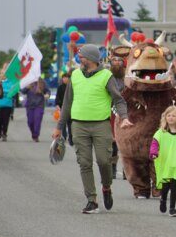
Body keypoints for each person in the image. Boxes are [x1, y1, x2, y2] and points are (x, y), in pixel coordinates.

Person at [52, 44, 133, 214]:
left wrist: (124, 118)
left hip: (101, 125)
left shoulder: (106, 76)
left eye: (82, 56)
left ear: (91, 58)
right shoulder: (75, 75)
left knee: (104, 161)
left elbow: (118, 100)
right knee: (84, 163)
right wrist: (59, 127)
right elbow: (67, 104)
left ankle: (106, 187)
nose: (79, 59)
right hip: (78, 125)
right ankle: (92, 200)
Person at [150, 106, 176, 217]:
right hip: (165, 162)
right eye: (169, 115)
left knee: (174, 185)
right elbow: (154, 144)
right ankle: (163, 199)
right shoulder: (161, 133)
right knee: (166, 185)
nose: (171, 118)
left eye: (174, 115)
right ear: (165, 117)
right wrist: (154, 152)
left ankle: (172, 208)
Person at [109, 56, 126, 179]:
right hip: (110, 111)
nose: (116, 63)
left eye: (119, 60)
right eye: (114, 60)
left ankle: (127, 170)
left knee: (126, 142)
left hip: (126, 112)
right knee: (112, 143)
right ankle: (112, 168)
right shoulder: (106, 76)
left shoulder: (128, 78)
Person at [22, 78, 50, 142]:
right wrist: (27, 87)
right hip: (30, 106)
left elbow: (48, 91)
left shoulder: (42, 82)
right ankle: (34, 133)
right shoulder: (28, 81)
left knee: (37, 121)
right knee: (30, 122)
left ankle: (36, 135)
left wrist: (47, 94)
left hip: (39, 105)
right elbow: (23, 91)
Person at [55, 73, 73, 145]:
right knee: (62, 123)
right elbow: (57, 97)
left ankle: (71, 139)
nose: (65, 79)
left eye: (66, 77)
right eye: (63, 78)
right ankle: (64, 137)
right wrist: (57, 105)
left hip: (71, 108)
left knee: (70, 124)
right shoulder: (60, 87)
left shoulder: (72, 87)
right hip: (62, 108)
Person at [0, 77, 13, 142]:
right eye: (1, 73)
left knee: (6, 119)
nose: (3, 75)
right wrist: (5, 92)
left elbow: (12, 91)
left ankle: (4, 134)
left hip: (8, 104)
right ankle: (0, 129)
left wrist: (3, 91)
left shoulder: (11, 82)